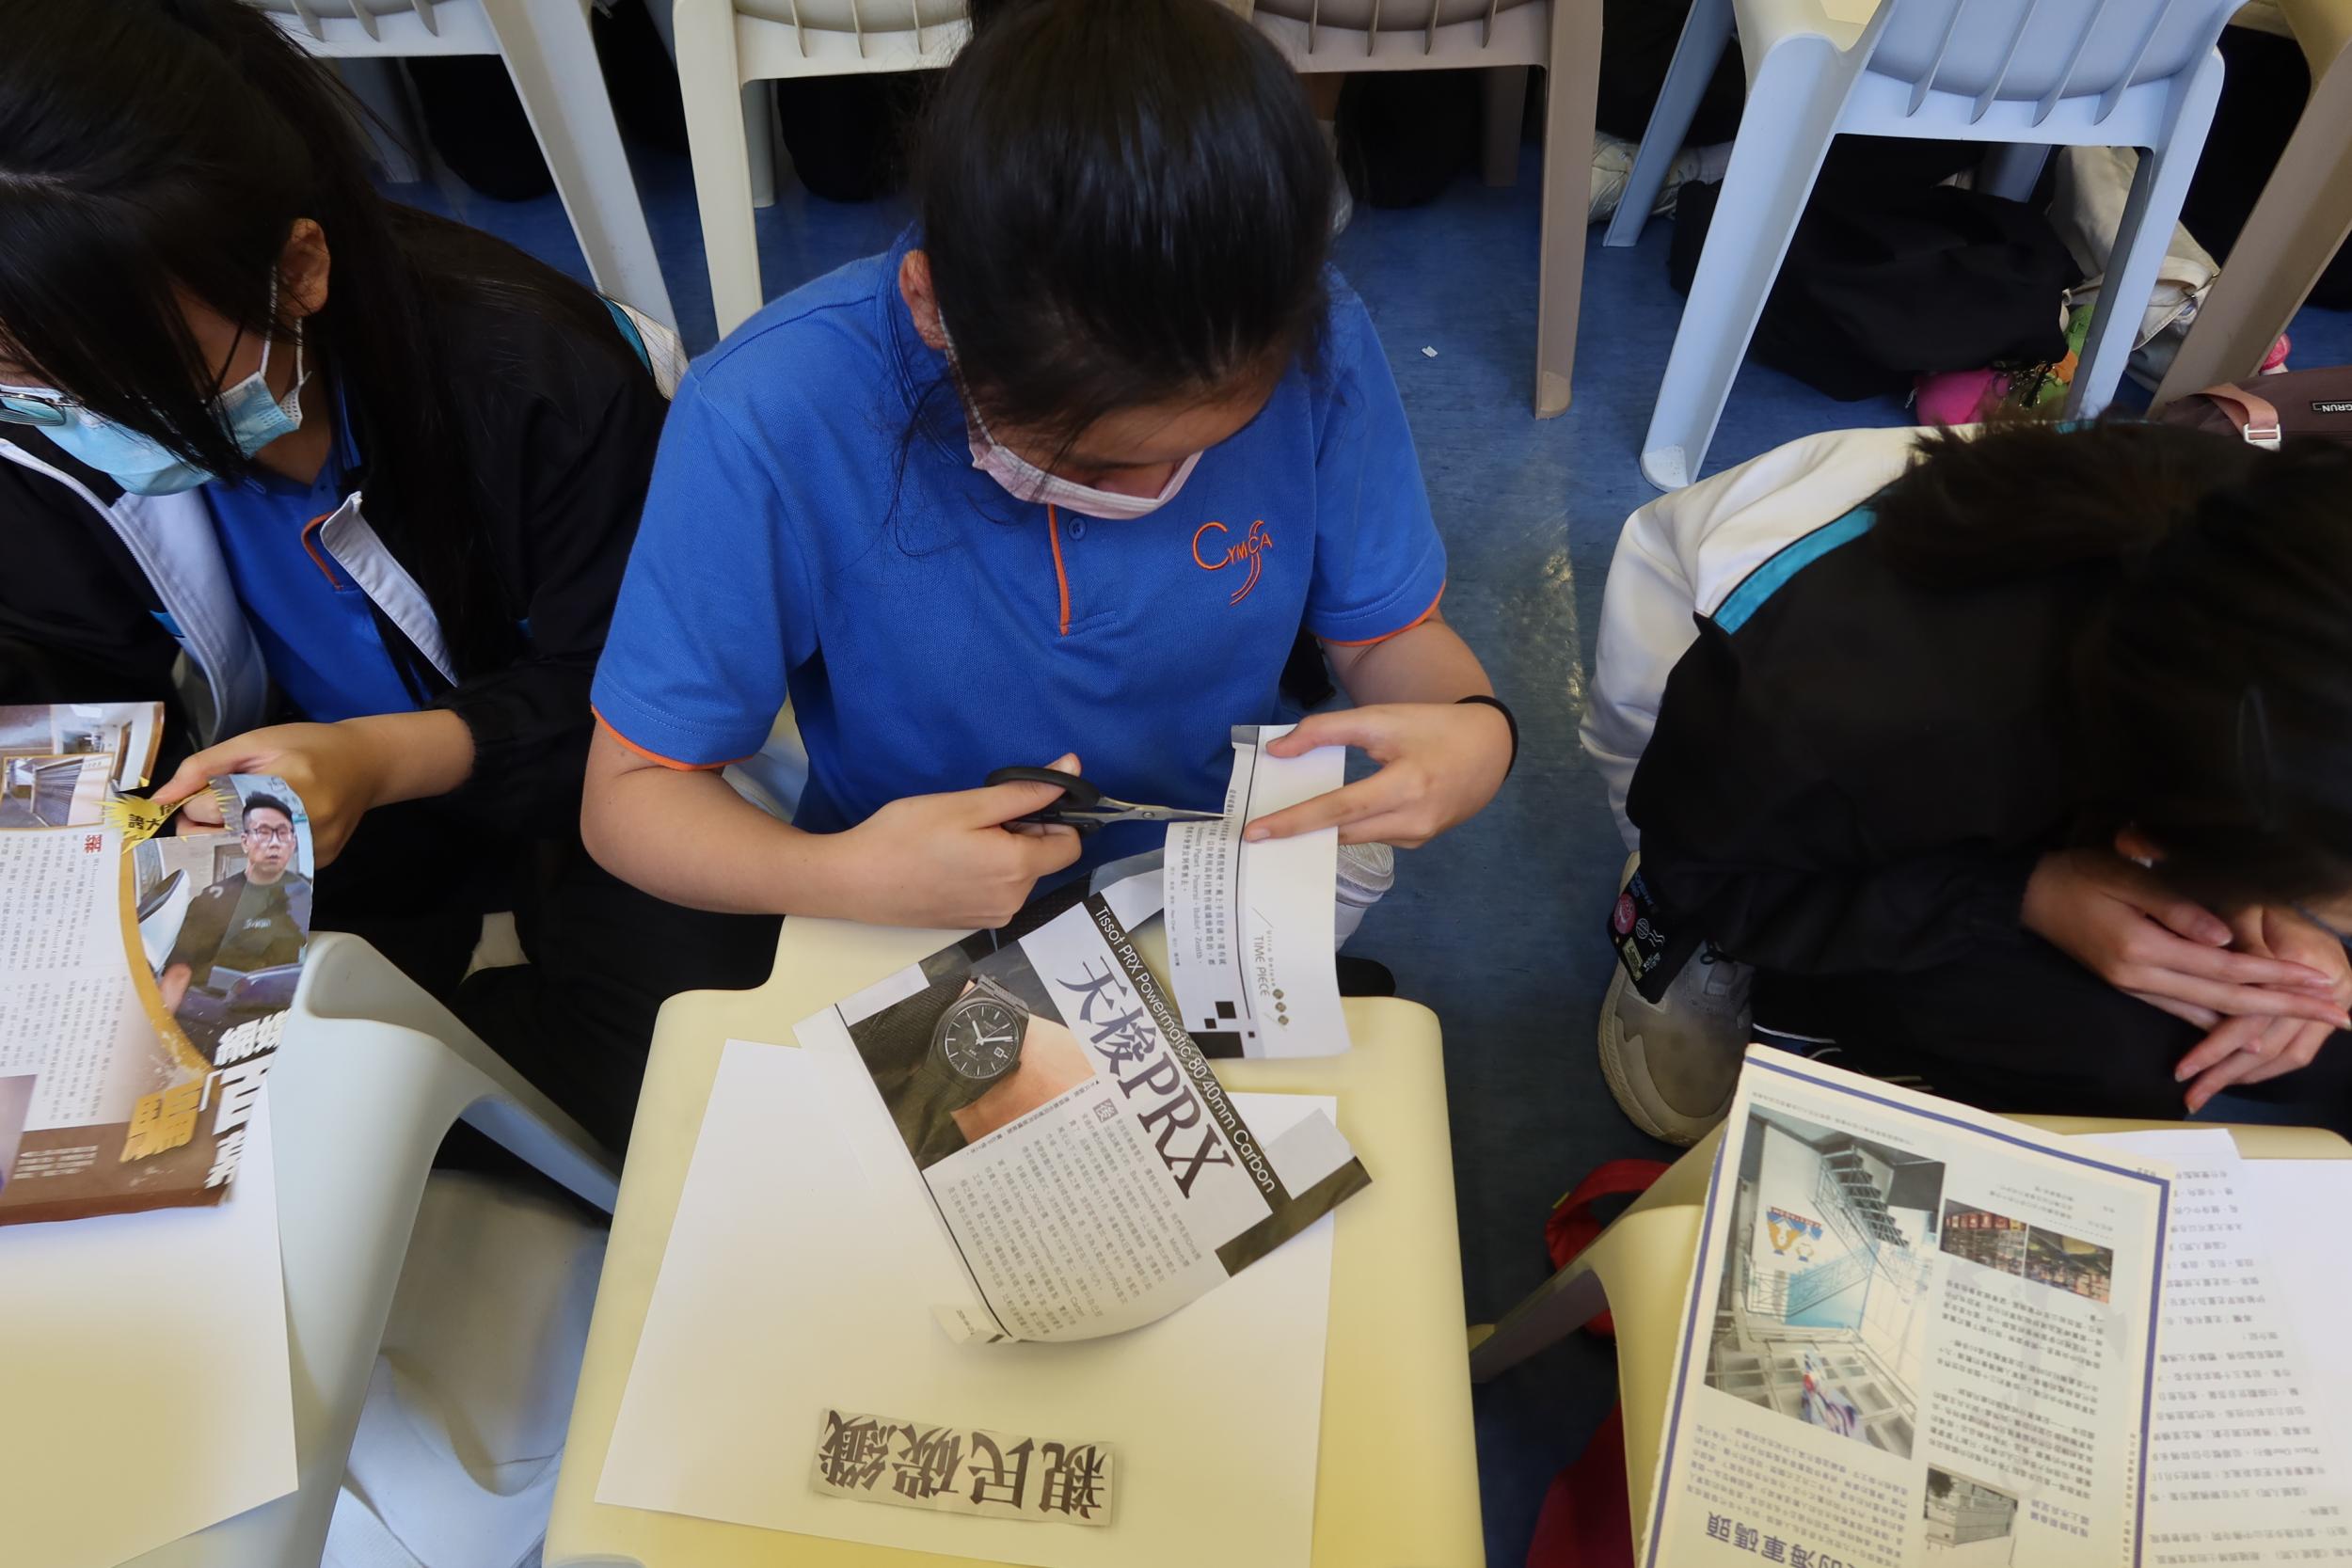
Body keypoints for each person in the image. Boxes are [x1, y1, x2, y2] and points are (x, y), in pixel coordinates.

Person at [0, 0, 777, 1148]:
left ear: (298, 270)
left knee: (677, 1076)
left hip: (553, 762)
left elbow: (637, 694)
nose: (83, 418)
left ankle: (427, 1055)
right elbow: (63, 683)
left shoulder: (533, 378)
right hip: (279, 805)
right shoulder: (38, 449)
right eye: (25, 379)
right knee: (140, 1085)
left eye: (131, 373)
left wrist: (380, 758)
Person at [583, 0, 1514, 930]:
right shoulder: (769, 414)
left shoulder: (1317, 334)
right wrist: (841, 874)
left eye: (1213, 444)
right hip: (901, 896)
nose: (1159, 492)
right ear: (933, 308)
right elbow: (630, 796)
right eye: (1098, 464)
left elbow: (1384, 635)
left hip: (1205, 870)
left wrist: (1475, 729)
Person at [1583, 420, 2352, 1142]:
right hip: (1736, 804)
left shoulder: (2274, 566)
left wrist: (2278, 926)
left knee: (2299, 1032)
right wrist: (2019, 895)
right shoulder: (1824, 713)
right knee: (2121, 1056)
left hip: (2075, 755)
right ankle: (1737, 969)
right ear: (2151, 838)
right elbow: (1712, 873)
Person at [159, 793, 311, 1053]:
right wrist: (160, 1038)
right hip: (215, 1019)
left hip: (289, 1020)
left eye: (283, 833)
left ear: (294, 842)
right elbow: (179, 972)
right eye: (263, 832)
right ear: (244, 841)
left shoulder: (304, 891)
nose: (274, 843)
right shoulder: (214, 899)